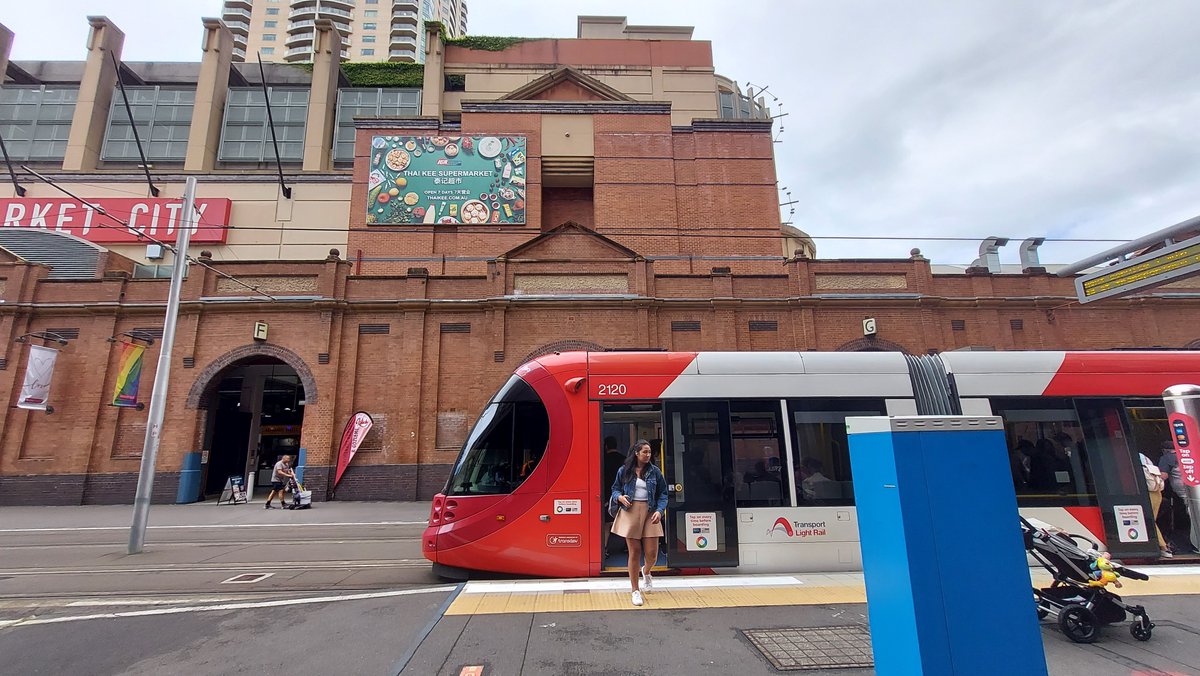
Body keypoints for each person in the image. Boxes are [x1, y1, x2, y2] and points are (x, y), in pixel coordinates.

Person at [610, 439, 668, 607]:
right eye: (645, 452)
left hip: (651, 512)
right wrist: (620, 497)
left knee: (652, 554)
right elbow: (615, 489)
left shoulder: (655, 472)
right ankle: (635, 590)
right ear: (636, 453)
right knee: (634, 552)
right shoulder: (624, 471)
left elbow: (663, 493)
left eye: (649, 452)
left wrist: (659, 511)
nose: (648, 455)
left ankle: (646, 571)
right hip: (630, 511)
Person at [1159, 441, 1199, 554]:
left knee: (1194, 518)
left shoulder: (1166, 458)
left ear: (1164, 450)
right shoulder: (1189, 456)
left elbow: (1163, 476)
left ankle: (1197, 545)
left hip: (1188, 495)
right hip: (1195, 491)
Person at [1140, 451, 1171, 558]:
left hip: (1148, 493)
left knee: (1148, 521)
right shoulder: (1144, 457)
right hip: (1157, 492)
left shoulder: (1131, 456)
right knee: (1150, 521)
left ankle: (1163, 547)